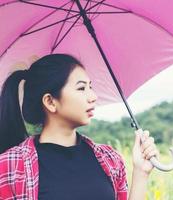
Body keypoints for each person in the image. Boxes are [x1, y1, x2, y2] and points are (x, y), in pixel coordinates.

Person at [0, 54, 159, 200]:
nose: (93, 97)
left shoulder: (110, 159)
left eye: (91, 87)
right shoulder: (11, 166)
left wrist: (141, 173)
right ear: (50, 102)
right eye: (81, 88)